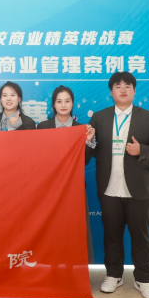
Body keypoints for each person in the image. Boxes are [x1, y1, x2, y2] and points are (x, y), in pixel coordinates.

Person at [86, 72, 149, 298]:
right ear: (111, 92)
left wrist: (142, 150)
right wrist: (89, 142)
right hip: (109, 187)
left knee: (141, 237)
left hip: (139, 188)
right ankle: (113, 275)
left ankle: (143, 280)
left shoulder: (148, 117)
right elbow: (93, 152)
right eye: (118, 86)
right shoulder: (100, 117)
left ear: (134, 91)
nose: (123, 90)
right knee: (112, 235)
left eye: (127, 86)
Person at [37, 85, 96, 264]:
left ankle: (74, 269)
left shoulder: (82, 129)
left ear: (72, 104)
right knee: (51, 229)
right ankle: (51, 266)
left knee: (74, 229)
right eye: (59, 101)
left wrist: (89, 141)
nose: (63, 105)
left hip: (74, 187)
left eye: (67, 101)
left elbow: (84, 161)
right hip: (49, 188)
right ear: (53, 105)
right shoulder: (43, 127)